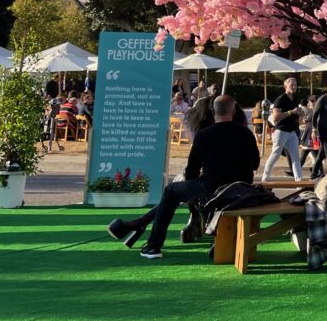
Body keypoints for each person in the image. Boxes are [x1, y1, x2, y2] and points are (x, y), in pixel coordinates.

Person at [105, 95, 259, 258]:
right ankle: (141, 225)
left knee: (171, 191)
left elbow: (192, 169)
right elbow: (255, 164)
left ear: (213, 111)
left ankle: (153, 246)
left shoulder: (204, 135)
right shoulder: (247, 134)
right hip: (241, 188)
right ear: (234, 111)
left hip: (211, 187)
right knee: (182, 191)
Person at [261, 77, 303, 181]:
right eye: (291, 85)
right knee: (275, 155)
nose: (294, 87)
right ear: (285, 86)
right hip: (281, 131)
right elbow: (275, 117)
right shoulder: (280, 99)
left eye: (295, 85)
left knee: (295, 156)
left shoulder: (294, 98)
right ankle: (265, 178)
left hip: (292, 131)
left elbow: (295, 115)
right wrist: (290, 112)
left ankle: (299, 180)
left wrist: (299, 114)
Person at [310, 79, 327, 179]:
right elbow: (315, 115)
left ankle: (314, 172)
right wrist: (314, 129)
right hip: (323, 128)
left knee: (322, 153)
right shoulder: (323, 99)